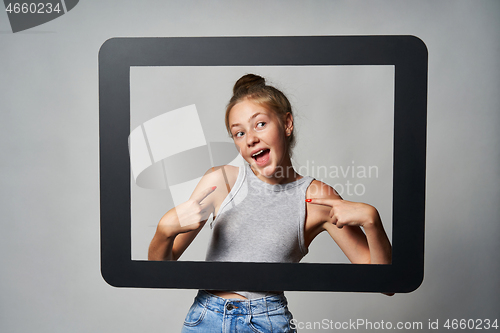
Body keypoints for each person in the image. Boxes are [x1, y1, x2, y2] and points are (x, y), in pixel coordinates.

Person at [148, 74, 392, 332]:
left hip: (266, 323)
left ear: (287, 123)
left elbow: (385, 286)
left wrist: (372, 222)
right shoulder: (220, 182)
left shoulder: (316, 198)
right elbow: (158, 275)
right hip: (205, 319)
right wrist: (164, 232)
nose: (250, 138)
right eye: (238, 133)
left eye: (260, 124)